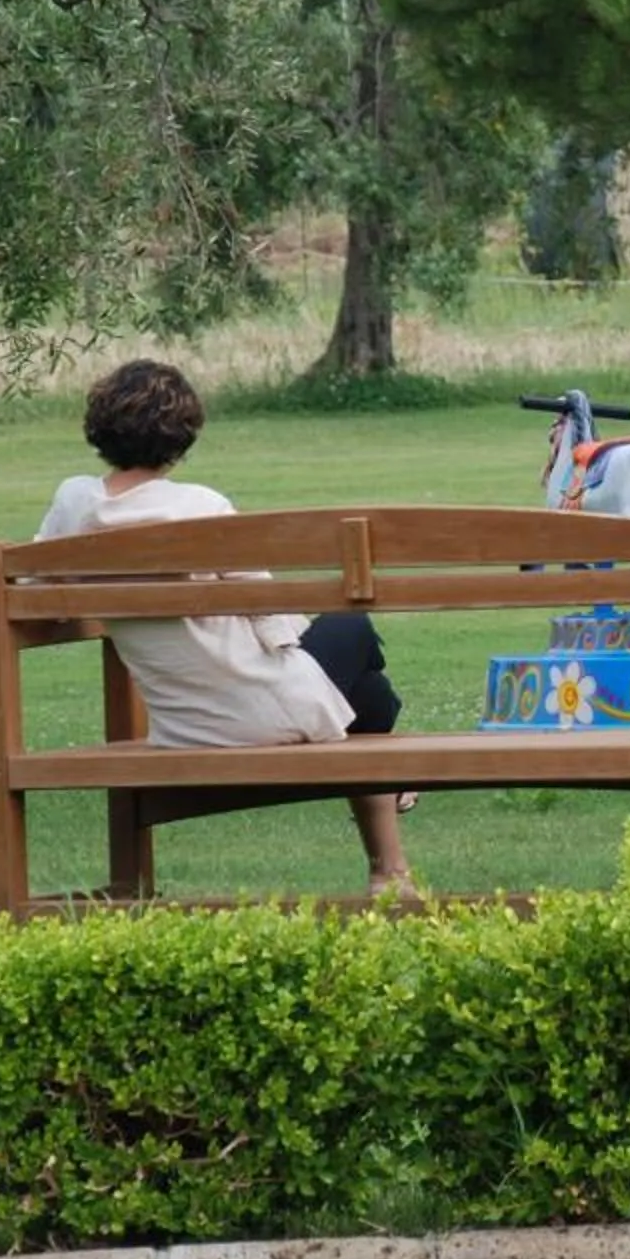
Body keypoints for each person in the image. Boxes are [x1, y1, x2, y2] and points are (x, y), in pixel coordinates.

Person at [37, 359, 419, 900]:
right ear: (182, 438)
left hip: (183, 725)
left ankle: (392, 869)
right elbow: (271, 612)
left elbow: (32, 582)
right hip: (260, 710)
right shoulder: (202, 507)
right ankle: (390, 861)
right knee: (354, 634)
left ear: (99, 429)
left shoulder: (74, 502)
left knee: (368, 691)